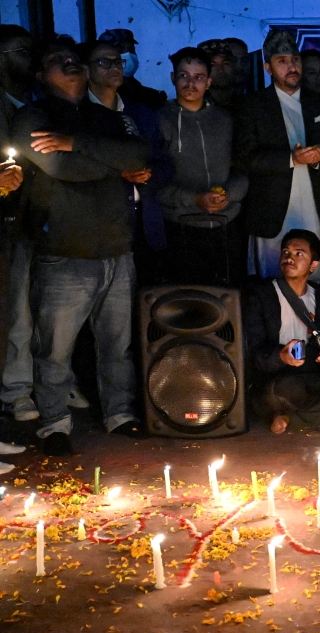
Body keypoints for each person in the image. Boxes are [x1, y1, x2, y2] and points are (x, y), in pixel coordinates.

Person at [13, 39, 150, 454]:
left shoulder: (100, 115)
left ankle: (119, 413)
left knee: (117, 345)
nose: (71, 65)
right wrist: (111, 162)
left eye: (75, 60)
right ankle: (54, 422)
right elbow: (60, 167)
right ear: (40, 75)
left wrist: (76, 142)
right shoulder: (30, 116)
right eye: (58, 61)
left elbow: (140, 154)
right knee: (55, 349)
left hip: (116, 250)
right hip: (64, 252)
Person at [235, 28, 320, 281]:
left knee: (315, 284)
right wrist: (292, 159)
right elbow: (243, 159)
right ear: (268, 67)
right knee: (273, 283)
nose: (291, 66)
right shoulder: (252, 106)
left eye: (295, 60)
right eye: (281, 62)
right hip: (272, 215)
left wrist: (317, 162)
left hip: (315, 212)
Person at [84, 39, 173, 286]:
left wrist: (149, 173)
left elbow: (165, 164)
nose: (115, 67)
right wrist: (120, 174)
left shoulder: (140, 113)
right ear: (86, 69)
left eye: (118, 61)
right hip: (102, 228)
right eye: (104, 62)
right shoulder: (79, 114)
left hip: (146, 224)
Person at [243, 229, 320, 434]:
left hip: (311, 375)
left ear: (313, 265)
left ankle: (291, 418)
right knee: (286, 389)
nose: (289, 258)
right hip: (277, 378)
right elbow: (253, 353)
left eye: (299, 253)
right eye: (286, 253)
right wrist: (281, 356)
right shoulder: (261, 296)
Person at [158, 47, 248, 286]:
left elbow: (243, 171)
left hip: (226, 226)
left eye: (198, 77)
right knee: (189, 304)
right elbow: (152, 181)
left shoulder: (226, 120)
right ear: (172, 78)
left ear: (208, 82)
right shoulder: (159, 121)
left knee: (227, 302)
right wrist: (193, 199)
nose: (191, 83)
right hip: (180, 228)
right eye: (183, 75)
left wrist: (229, 194)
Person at [0, 24, 35, 422]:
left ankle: (33, 384)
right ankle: (14, 390)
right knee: (15, 312)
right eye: (21, 52)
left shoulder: (34, 99)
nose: (31, 60)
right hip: (6, 222)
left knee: (35, 310)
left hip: (33, 217)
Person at [97, 29, 166, 111]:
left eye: (131, 50)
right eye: (120, 51)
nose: (128, 55)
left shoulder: (150, 96)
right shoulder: (100, 97)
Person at [198, 39, 241, 112]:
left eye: (226, 63)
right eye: (213, 65)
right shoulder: (196, 107)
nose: (220, 70)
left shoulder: (248, 103)